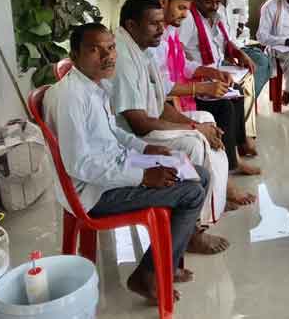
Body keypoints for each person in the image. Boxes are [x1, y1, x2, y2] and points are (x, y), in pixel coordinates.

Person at [44, 23, 208, 303]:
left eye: (110, 48)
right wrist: (143, 176)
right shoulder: (71, 97)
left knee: (198, 174)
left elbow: (113, 133)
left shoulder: (94, 85)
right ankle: (147, 274)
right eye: (94, 50)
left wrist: (145, 148)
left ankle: (166, 261)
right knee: (191, 192)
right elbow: (80, 165)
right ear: (74, 55)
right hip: (94, 191)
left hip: (116, 166)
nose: (106, 56)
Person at [109, 0, 232, 254]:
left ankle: (213, 197)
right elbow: (140, 124)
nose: (161, 29)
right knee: (194, 143)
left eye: (161, 23)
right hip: (131, 144)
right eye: (154, 24)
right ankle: (192, 227)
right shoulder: (123, 58)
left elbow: (158, 102)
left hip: (143, 127)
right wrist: (194, 130)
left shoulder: (141, 48)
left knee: (206, 119)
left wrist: (196, 124)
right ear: (131, 25)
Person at [150, 0, 257, 206]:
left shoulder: (169, 31)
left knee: (231, 98)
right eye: (181, 8)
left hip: (180, 92)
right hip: (170, 101)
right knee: (218, 113)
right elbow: (162, 85)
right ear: (163, 3)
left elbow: (182, 64)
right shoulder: (158, 37)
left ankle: (224, 178)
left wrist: (211, 72)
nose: (185, 14)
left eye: (186, 9)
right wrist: (203, 86)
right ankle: (220, 187)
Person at [178, 0, 261, 175]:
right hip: (196, 80)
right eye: (208, 1)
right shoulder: (188, 20)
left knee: (237, 91)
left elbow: (225, 42)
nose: (214, 6)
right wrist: (208, 72)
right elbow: (179, 59)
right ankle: (233, 162)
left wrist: (240, 54)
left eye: (217, 2)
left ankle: (240, 143)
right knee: (225, 107)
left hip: (214, 73)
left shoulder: (216, 15)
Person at [203, 0, 272, 98]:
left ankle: (246, 98)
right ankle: (241, 98)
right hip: (219, 52)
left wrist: (240, 25)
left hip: (236, 45)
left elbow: (242, 12)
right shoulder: (206, 4)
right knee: (229, 72)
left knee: (263, 62)